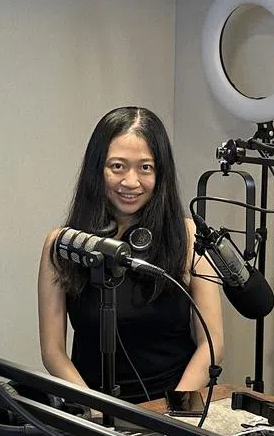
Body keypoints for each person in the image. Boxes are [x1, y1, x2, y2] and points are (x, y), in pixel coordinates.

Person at [38, 106, 224, 406]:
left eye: (145, 168)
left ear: (160, 173)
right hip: (93, 412)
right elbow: (53, 352)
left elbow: (211, 343)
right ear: (97, 169)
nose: (131, 182)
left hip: (172, 409)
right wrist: (96, 412)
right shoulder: (62, 245)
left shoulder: (189, 238)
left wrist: (170, 413)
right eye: (117, 166)